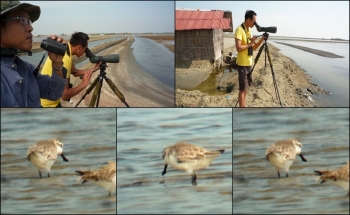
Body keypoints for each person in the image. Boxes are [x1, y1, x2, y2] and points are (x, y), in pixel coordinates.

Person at [1, 1, 67, 107]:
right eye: (22, 20)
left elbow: (54, 93)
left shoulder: (27, 69)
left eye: (29, 22)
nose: (31, 28)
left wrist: (57, 63)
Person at [40, 32, 101, 107]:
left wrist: (94, 69)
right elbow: (65, 95)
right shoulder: (65, 59)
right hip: (48, 104)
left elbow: (75, 72)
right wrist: (84, 84)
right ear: (79, 47)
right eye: (85, 49)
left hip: (45, 99)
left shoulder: (66, 50)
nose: (85, 52)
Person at [235, 10, 267, 107]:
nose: (255, 23)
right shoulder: (239, 30)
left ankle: (244, 105)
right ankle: (241, 108)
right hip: (242, 64)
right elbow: (238, 48)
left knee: (246, 87)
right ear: (248, 19)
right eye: (254, 21)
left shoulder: (249, 31)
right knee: (242, 89)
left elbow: (254, 47)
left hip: (249, 63)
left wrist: (262, 39)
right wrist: (250, 43)